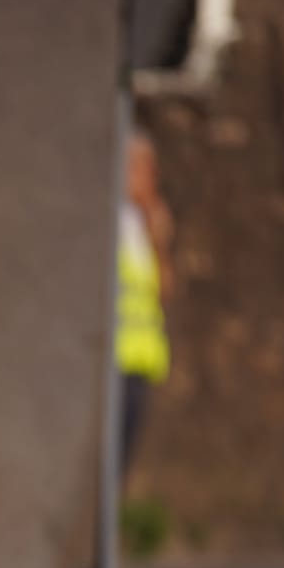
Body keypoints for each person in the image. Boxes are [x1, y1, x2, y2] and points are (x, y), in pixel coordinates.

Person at [116, 129, 174, 482]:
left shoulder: (144, 223)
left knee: (121, 465)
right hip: (111, 359)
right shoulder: (111, 222)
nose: (149, 178)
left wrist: (158, 239)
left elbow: (163, 289)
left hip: (140, 359)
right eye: (140, 168)